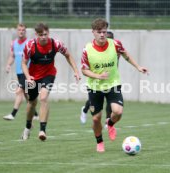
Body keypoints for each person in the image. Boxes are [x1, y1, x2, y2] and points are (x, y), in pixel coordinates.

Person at [81, 18, 148, 152]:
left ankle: (110, 123)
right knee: (95, 119)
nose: (102, 35)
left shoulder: (115, 44)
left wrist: (138, 67)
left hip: (113, 84)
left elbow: (125, 54)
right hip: (95, 87)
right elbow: (84, 70)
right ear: (93, 32)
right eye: (99, 32)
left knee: (118, 112)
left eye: (104, 32)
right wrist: (98, 76)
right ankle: (99, 142)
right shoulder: (87, 50)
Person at [21, 22, 80, 141]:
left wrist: (76, 71)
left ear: (48, 33)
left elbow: (68, 55)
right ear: (36, 34)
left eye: (45, 34)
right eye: (41, 35)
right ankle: (27, 127)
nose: (43, 37)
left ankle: (42, 130)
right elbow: (23, 63)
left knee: (43, 98)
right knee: (32, 103)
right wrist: (28, 77)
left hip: (49, 74)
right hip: (33, 76)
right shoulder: (30, 46)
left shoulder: (56, 44)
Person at [3, 23, 39, 121]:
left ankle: (13, 114)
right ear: (17, 31)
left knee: (19, 91)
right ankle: (35, 114)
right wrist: (8, 65)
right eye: (19, 30)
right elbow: (12, 56)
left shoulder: (29, 43)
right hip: (19, 72)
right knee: (27, 95)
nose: (21, 31)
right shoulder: (13, 43)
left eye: (23, 30)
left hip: (27, 72)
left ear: (25, 31)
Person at [80, 31, 114, 125]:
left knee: (110, 101)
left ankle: (107, 120)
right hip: (95, 82)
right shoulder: (92, 50)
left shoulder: (114, 50)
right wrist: (98, 75)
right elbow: (85, 68)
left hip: (109, 81)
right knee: (92, 103)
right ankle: (85, 109)